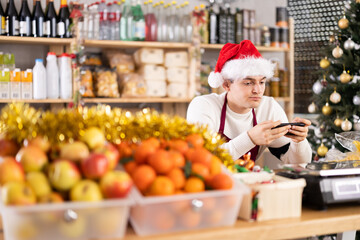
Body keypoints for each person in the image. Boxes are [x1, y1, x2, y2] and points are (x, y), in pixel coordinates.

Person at [186, 40, 312, 164]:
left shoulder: (268, 108)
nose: (258, 90)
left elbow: (297, 163)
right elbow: (201, 160)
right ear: (226, 85)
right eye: (248, 83)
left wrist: (298, 142)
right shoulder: (203, 106)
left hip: (249, 183)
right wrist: (250, 139)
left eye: (262, 82)